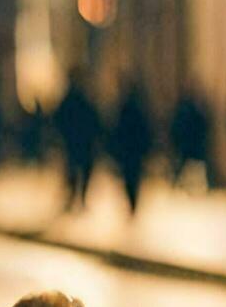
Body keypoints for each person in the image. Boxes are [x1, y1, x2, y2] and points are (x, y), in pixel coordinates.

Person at [54, 71, 101, 210]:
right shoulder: (73, 101)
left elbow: (93, 120)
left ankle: (78, 198)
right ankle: (74, 199)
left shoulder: (78, 100)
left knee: (80, 171)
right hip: (76, 142)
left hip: (81, 142)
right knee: (75, 172)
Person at [109, 82, 154, 212]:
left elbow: (118, 131)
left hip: (128, 151)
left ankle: (132, 203)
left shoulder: (125, 111)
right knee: (133, 178)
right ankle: (133, 203)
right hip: (134, 151)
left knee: (130, 178)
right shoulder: (137, 110)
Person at [169, 89, 211, 187]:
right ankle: (188, 185)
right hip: (191, 145)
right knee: (193, 165)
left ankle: (185, 184)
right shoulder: (193, 114)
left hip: (189, 145)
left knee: (192, 165)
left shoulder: (187, 114)